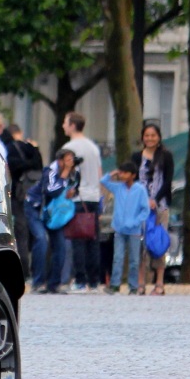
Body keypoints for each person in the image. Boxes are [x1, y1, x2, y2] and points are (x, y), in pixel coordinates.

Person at [25, 148, 79, 294]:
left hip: (53, 213)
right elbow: (51, 190)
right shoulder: (50, 171)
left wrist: (72, 191)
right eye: (67, 160)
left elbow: (75, 189)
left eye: (72, 160)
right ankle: (38, 282)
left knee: (61, 245)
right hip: (36, 208)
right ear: (60, 161)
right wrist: (65, 174)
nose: (70, 163)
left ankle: (54, 283)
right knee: (42, 239)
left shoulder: (73, 173)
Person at [62, 111, 103, 292]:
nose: (63, 125)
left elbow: (67, 172)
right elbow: (99, 172)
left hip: (79, 198)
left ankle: (80, 280)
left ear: (72, 125)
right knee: (92, 240)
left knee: (78, 240)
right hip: (94, 197)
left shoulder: (70, 147)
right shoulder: (93, 147)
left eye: (65, 122)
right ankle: (94, 281)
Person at [135, 121, 173, 295]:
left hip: (160, 206)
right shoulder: (136, 157)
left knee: (158, 242)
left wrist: (155, 199)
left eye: (153, 135)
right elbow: (133, 181)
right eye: (147, 135)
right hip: (139, 207)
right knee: (140, 245)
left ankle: (159, 282)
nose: (150, 139)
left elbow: (167, 181)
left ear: (158, 138)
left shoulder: (166, 156)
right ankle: (140, 282)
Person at [100, 162, 149, 294]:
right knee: (118, 257)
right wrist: (113, 173)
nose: (122, 175)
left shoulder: (140, 190)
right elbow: (103, 181)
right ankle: (115, 284)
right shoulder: (118, 188)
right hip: (119, 229)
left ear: (133, 175)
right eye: (121, 172)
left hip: (134, 230)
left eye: (125, 173)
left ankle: (133, 286)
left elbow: (145, 210)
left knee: (134, 259)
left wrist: (135, 222)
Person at [2, 123, 43, 279]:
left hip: (18, 194)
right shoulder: (31, 148)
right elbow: (39, 166)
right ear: (20, 132)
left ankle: (24, 270)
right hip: (34, 195)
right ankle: (37, 270)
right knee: (36, 231)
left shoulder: (8, 148)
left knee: (21, 231)